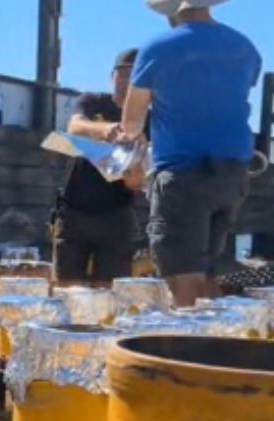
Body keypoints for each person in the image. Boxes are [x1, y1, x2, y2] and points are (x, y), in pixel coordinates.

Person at [120, 0, 262, 306]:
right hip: (232, 175)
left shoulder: (157, 47)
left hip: (183, 176)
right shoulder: (244, 47)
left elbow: (131, 123)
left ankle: (190, 347)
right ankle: (218, 344)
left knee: (184, 277)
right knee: (209, 274)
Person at [53, 49, 146, 288]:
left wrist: (133, 163)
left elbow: (136, 182)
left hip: (116, 214)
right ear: (112, 76)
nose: (128, 81)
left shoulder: (150, 119)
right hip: (74, 209)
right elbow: (75, 126)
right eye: (123, 74)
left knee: (109, 292)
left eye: (136, 75)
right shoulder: (93, 102)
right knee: (69, 289)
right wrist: (106, 131)